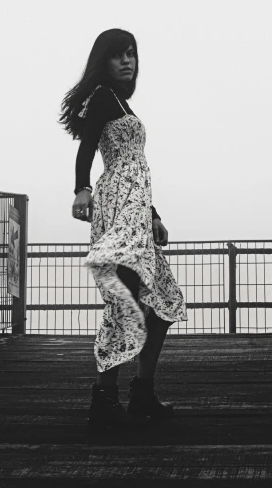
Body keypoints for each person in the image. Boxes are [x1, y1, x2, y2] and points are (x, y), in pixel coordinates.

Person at [58, 28, 188, 430]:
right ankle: (105, 399)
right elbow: (89, 151)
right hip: (117, 209)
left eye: (131, 54)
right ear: (104, 61)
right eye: (118, 55)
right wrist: (81, 189)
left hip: (136, 211)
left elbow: (135, 168)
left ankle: (142, 393)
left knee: (163, 302)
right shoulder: (101, 96)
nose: (127, 61)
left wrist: (153, 214)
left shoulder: (119, 102)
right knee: (125, 299)